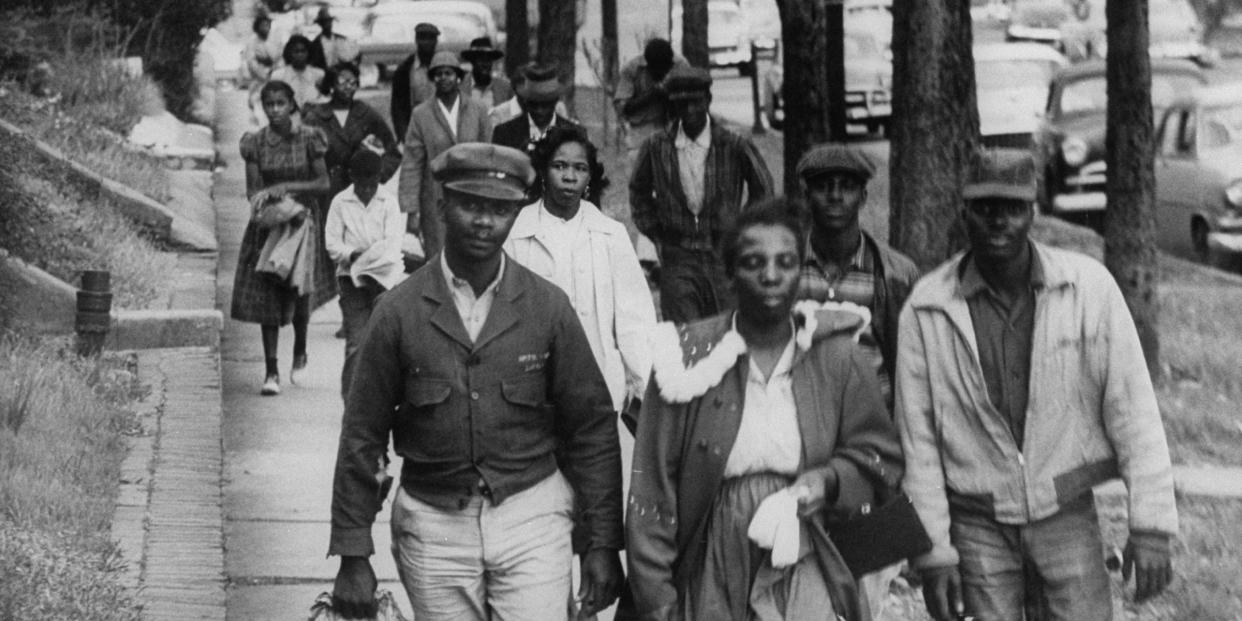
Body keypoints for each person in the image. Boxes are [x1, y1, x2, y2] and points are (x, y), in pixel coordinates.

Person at [328, 143, 625, 621]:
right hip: (433, 524)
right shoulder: (397, 312)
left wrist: (603, 542)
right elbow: (362, 434)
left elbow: (591, 428)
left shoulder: (547, 307)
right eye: (470, 205)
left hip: (533, 515)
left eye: (501, 209)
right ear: (443, 206)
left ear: (517, 213)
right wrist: (352, 552)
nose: (484, 222)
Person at [895, 151, 1177, 621]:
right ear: (964, 212)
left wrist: (1151, 528)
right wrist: (935, 554)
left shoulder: (1087, 288)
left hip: (1064, 511)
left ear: (1034, 211)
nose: (998, 221)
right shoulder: (926, 310)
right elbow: (918, 443)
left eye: (1012, 207)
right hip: (976, 518)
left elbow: (1134, 410)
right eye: (984, 208)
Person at [623, 200, 904, 621]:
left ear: (799, 270)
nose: (770, 275)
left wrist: (827, 481)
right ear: (731, 272)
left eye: (785, 262)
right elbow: (652, 489)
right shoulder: (688, 359)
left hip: (809, 544)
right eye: (754, 262)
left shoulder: (837, 355)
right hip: (714, 550)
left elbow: (882, 459)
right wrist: (656, 597)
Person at [795, 143, 920, 621]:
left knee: (865, 586)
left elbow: (909, 369)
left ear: (863, 195)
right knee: (799, 572)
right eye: (823, 186)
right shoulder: (785, 267)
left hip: (868, 445)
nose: (834, 196)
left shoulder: (894, 273)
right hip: (800, 441)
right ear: (806, 194)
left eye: (845, 187)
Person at [504, 124, 654, 419]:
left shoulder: (610, 235)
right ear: (543, 172)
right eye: (559, 166)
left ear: (589, 177)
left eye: (579, 168)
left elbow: (634, 320)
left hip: (598, 388)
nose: (569, 177)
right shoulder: (517, 235)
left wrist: (643, 385)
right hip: (535, 393)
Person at [629, 66, 774, 323]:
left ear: (708, 100)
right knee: (685, 337)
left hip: (722, 256)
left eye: (695, 102)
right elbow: (638, 191)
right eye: (681, 104)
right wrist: (656, 234)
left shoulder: (733, 144)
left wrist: (743, 232)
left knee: (728, 333)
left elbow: (763, 188)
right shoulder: (657, 146)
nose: (689, 111)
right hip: (677, 255)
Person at [230, 80, 330, 396]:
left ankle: (300, 345)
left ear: (291, 105)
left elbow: (322, 182)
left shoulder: (310, 138)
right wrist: (271, 200)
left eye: (280, 104)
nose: (274, 110)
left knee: (301, 291)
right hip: (271, 225)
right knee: (267, 295)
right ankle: (271, 369)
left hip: (304, 222)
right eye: (269, 104)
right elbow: (253, 191)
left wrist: (288, 188)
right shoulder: (256, 143)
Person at [323, 149, 404, 397]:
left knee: (386, 347)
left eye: (372, 186)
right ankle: (351, 403)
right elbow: (332, 243)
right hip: (352, 282)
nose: (367, 191)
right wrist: (352, 255)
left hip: (383, 282)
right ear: (351, 178)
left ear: (380, 178)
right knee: (356, 344)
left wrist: (374, 257)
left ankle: (380, 403)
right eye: (362, 186)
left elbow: (392, 242)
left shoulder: (388, 202)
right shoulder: (340, 202)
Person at [398, 51, 491, 261]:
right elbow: (412, 161)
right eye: (438, 74)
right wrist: (411, 210)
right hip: (434, 196)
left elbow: (488, 153)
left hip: (472, 193)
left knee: (471, 253)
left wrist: (487, 192)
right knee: (438, 256)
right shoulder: (421, 114)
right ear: (432, 79)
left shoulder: (477, 109)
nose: (443, 78)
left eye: (448, 73)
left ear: (458, 76)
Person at [303, 62, 402, 199]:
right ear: (331, 85)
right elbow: (302, 155)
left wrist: (376, 176)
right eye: (342, 82)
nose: (348, 87)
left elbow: (392, 151)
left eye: (353, 82)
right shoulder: (315, 117)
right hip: (325, 191)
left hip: (359, 189)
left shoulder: (366, 113)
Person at [614, 38, 689, 165]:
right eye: (656, 71)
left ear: (671, 64)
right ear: (648, 65)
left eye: (665, 70)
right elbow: (623, 108)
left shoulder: (681, 65)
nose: (661, 74)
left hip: (675, 124)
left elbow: (690, 102)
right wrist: (653, 94)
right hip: (643, 126)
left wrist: (671, 94)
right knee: (638, 163)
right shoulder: (632, 69)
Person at [490, 64, 577, 157]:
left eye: (545, 105)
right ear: (525, 102)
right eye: (534, 104)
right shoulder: (505, 133)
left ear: (555, 102)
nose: (539, 111)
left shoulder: (574, 134)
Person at [391, 22, 440, 140]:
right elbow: (398, 108)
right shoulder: (405, 70)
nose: (427, 43)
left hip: (441, 129)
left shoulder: (443, 67)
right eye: (423, 38)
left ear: (436, 42)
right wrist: (403, 136)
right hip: (415, 130)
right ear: (416, 40)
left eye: (431, 39)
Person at [270, 35, 325, 110]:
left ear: (308, 52)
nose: (300, 55)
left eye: (303, 51)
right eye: (296, 51)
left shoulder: (319, 74)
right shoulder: (278, 75)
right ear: (289, 53)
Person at [459, 36, 513, 110]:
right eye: (481, 60)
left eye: (488, 60)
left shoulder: (505, 88)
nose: (485, 64)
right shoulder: (459, 88)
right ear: (472, 61)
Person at [243, 13, 277, 126]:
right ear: (257, 27)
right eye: (263, 25)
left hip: (274, 77)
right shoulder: (252, 41)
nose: (266, 28)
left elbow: (279, 57)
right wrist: (264, 73)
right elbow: (251, 62)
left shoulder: (274, 40)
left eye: (268, 25)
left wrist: (274, 70)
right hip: (259, 80)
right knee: (259, 107)